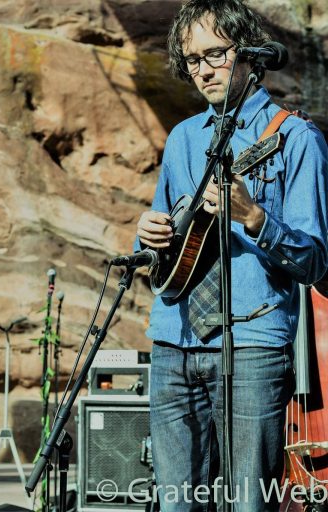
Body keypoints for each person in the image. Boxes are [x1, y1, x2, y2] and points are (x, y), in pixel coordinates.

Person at [136, 1, 328, 510]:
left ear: (247, 53)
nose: (202, 70)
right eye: (191, 60)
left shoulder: (294, 138)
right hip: (173, 341)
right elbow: (160, 252)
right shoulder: (181, 139)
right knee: (178, 503)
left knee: (248, 502)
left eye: (215, 54)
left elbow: (316, 262)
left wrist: (254, 219)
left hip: (252, 345)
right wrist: (146, 236)